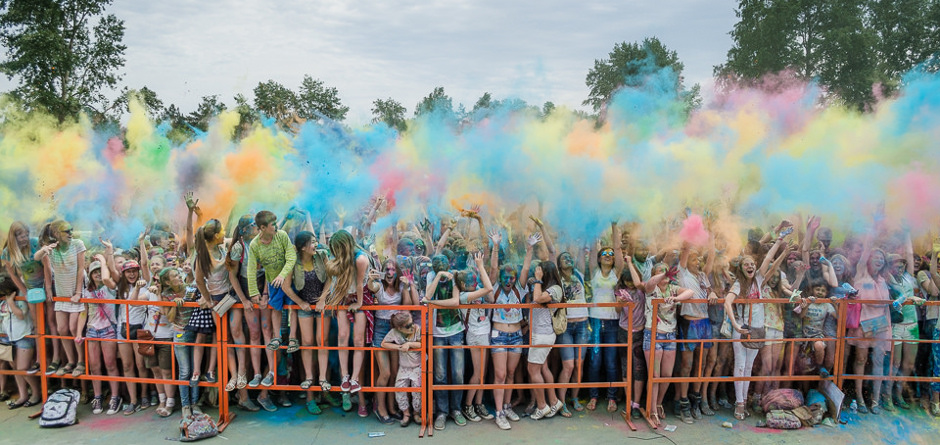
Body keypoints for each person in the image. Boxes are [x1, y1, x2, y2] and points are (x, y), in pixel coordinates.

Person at [724, 229, 787, 420]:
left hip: (758, 329)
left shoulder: (759, 280)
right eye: (746, 264)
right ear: (741, 268)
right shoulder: (738, 285)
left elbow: (769, 258)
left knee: (749, 367)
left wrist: (780, 241)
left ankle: (743, 400)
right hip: (743, 328)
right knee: (740, 366)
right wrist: (735, 325)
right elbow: (727, 302)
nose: (750, 266)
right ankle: (739, 404)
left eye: (752, 264)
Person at [424, 251, 493, 423]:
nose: (441, 267)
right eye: (437, 265)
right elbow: (427, 295)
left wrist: (431, 304)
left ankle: (456, 410)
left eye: (443, 264)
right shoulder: (431, 276)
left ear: (449, 263)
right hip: (437, 334)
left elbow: (453, 302)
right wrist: (438, 276)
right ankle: (441, 412)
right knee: (439, 375)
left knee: (458, 374)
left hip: (456, 332)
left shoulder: (455, 276)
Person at [316, 229, 375, 414]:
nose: (333, 251)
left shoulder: (361, 258)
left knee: (358, 341)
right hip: (342, 295)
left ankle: (355, 378)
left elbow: (359, 283)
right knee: (342, 336)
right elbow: (332, 281)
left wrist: (358, 303)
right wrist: (324, 299)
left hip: (360, 296)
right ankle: (345, 377)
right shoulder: (338, 258)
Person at [247, 210, 297, 410]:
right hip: (273, 283)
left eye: (276, 223)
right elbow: (251, 269)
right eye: (272, 224)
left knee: (292, 308)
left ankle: (292, 337)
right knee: (275, 308)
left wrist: (283, 276)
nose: (275, 227)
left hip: (289, 278)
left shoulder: (282, 236)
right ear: (262, 228)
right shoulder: (254, 245)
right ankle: (277, 337)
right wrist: (253, 293)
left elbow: (291, 258)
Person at [281, 230, 328, 415]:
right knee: (307, 344)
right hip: (305, 308)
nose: (315, 245)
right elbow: (285, 286)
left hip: (322, 306)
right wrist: (300, 302)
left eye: (315, 241)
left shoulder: (322, 256)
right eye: (311, 243)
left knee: (322, 342)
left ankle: (323, 379)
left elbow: (331, 278)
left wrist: (323, 299)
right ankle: (309, 384)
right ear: (302, 247)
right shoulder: (294, 261)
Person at [847, 236, 892, 414]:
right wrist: (871, 232)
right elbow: (864, 252)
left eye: (882, 258)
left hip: (880, 325)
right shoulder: (861, 274)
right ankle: (859, 397)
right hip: (862, 324)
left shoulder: (883, 280)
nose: (879, 260)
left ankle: (875, 399)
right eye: (876, 256)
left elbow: (886, 308)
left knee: (879, 362)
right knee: (860, 359)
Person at [644, 263, 694, 426]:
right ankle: (651, 411)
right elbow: (650, 283)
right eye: (660, 271)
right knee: (655, 376)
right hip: (653, 335)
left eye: (667, 271)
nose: (665, 274)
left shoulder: (673, 288)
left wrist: (676, 299)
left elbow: (690, 292)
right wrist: (663, 274)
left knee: (666, 375)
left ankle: (658, 403)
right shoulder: (651, 288)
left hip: (670, 335)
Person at [370, 257, 418, 423]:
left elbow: (408, 306)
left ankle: (391, 407)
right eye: (387, 269)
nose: (390, 272)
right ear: (383, 272)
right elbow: (372, 287)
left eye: (393, 270)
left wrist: (405, 286)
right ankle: (380, 408)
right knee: (385, 372)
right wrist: (370, 280)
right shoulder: (379, 286)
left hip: (396, 329)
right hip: (381, 329)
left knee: (394, 374)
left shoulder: (400, 286)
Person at [35, 220, 86, 378]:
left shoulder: (77, 244)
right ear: (56, 233)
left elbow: (81, 269)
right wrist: (44, 250)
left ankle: (81, 362)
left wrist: (78, 292)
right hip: (62, 294)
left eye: (71, 230)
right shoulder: (52, 248)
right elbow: (38, 259)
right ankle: (70, 361)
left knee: (72, 328)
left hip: (76, 293)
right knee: (62, 329)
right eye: (66, 231)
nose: (70, 233)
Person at [2, 221, 54, 371]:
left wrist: (49, 288)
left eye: (26, 234)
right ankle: (40, 358)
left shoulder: (35, 244)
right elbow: (13, 275)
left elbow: (47, 266)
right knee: (37, 324)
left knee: (50, 322)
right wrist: (24, 291)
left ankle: (53, 359)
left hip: (46, 285)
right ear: (14, 236)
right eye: (21, 235)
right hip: (31, 290)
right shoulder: (7, 253)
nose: (24, 238)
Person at [76, 254, 122, 415]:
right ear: (89, 275)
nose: (97, 274)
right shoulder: (87, 291)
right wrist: (78, 333)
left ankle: (115, 396)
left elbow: (105, 277)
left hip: (109, 329)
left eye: (98, 271)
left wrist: (103, 261)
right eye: (93, 271)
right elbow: (84, 313)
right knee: (95, 366)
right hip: (92, 329)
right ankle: (97, 396)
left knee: (110, 364)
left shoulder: (109, 287)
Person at [587, 223, 625, 413]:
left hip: (612, 322)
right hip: (594, 321)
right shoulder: (593, 271)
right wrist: (594, 222)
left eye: (611, 255)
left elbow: (618, 250)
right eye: (605, 254)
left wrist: (613, 225)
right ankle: (593, 396)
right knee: (595, 361)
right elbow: (594, 248)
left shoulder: (617, 274)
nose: (608, 256)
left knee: (611, 361)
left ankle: (611, 397)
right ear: (598, 258)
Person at [527, 261, 564, 420]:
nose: (537, 271)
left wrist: (537, 280)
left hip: (542, 335)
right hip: (539, 334)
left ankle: (542, 406)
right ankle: (555, 401)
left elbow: (537, 298)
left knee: (533, 370)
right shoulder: (544, 286)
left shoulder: (555, 289)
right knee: (543, 369)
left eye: (540, 270)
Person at [0, 274, 41, 409]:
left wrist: (11, 302)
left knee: (22, 368)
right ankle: (23, 395)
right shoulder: (3, 300)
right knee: (15, 369)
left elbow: (21, 315)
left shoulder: (21, 297)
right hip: (9, 337)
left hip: (24, 336)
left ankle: (36, 393)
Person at [382, 311, 422, 428]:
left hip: (417, 366)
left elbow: (422, 343)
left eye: (412, 323)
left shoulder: (416, 329)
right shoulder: (394, 333)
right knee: (399, 389)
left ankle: (416, 413)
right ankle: (406, 413)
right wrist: (399, 347)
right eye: (408, 325)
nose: (412, 326)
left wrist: (409, 344)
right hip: (404, 367)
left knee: (417, 391)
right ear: (399, 328)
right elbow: (384, 343)